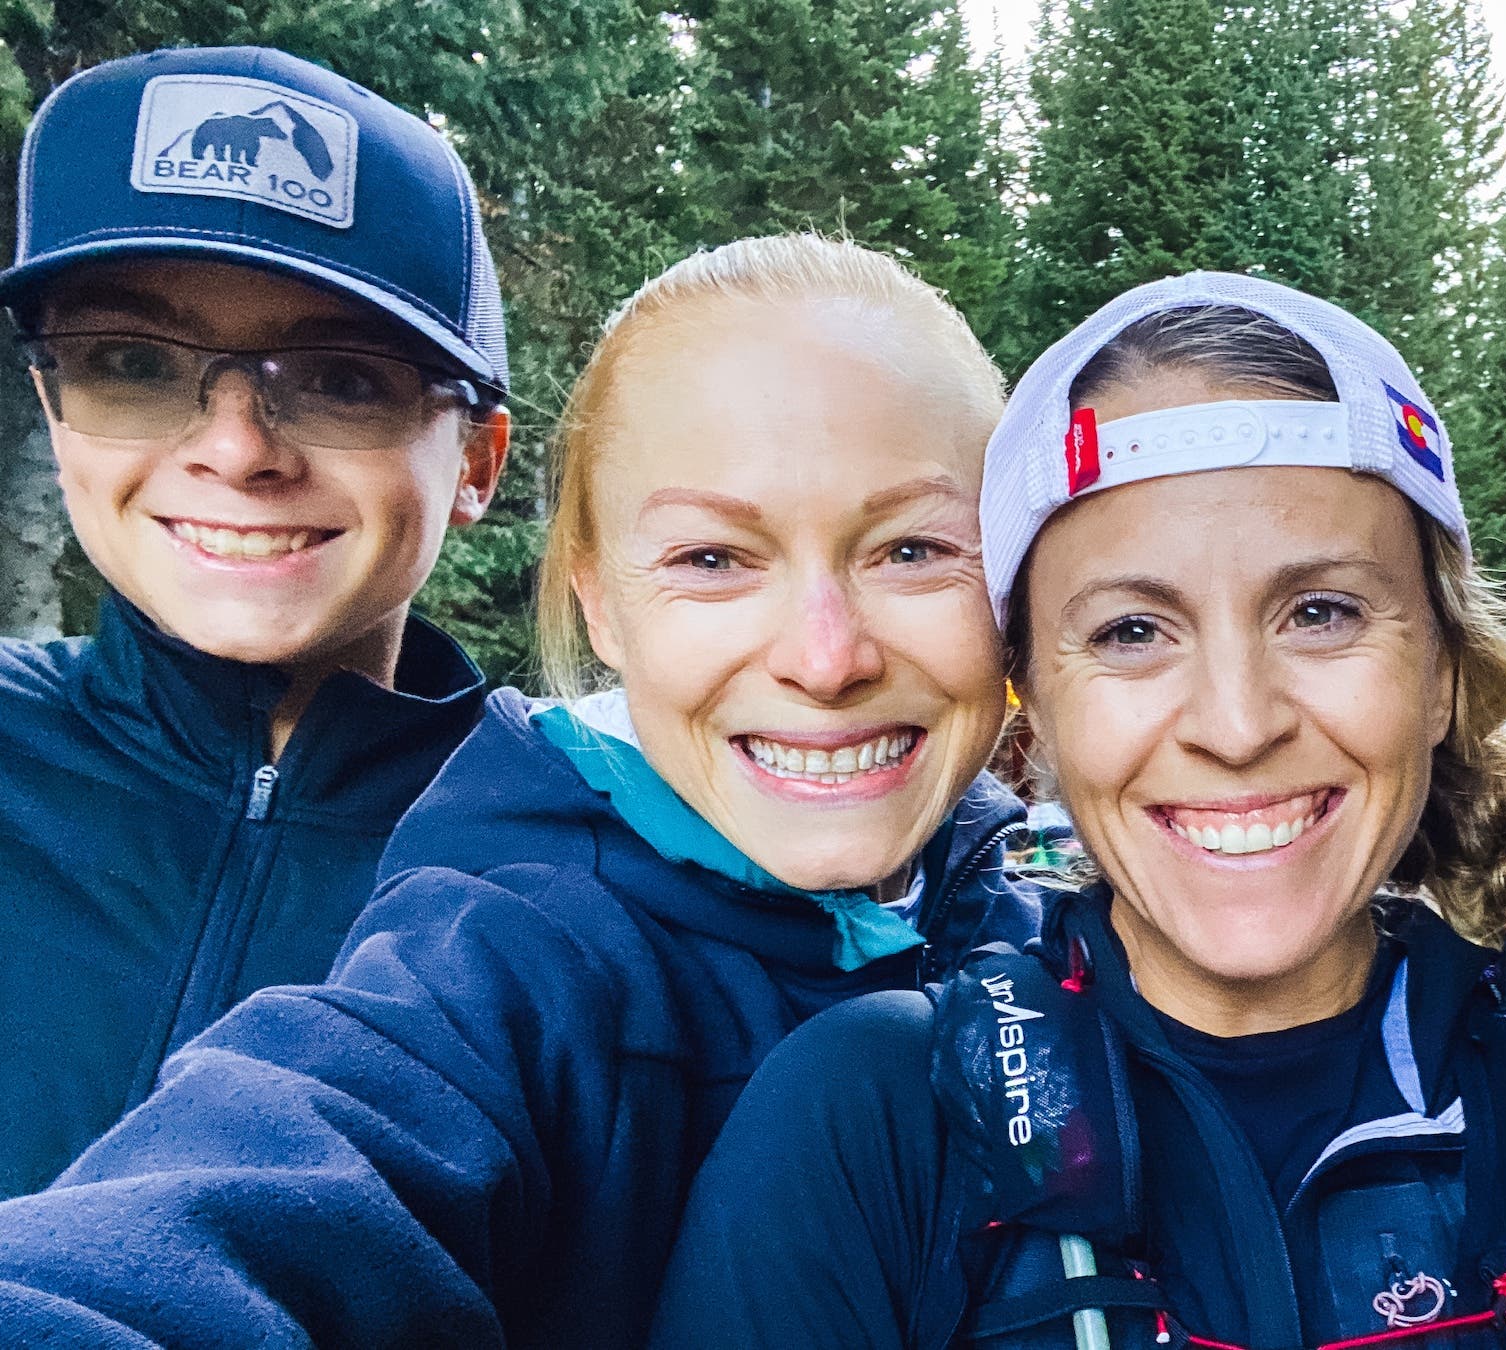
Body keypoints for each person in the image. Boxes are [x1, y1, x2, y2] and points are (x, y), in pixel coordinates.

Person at [647, 274, 1506, 1349]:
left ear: (1443, 675)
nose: (1238, 723)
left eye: (1320, 612)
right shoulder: (877, 1118)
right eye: (1132, 633)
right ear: (1035, 711)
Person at [0, 234, 1039, 1348]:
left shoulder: (1038, 931)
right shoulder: (510, 961)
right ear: (599, 604)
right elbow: (267, 1184)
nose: (826, 658)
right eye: (712, 560)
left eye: (916, 550)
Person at [0, 47, 509, 1198]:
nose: (235, 450)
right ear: (53, 403)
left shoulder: (570, 851)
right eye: (129, 363)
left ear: (476, 460)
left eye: (339, 379)